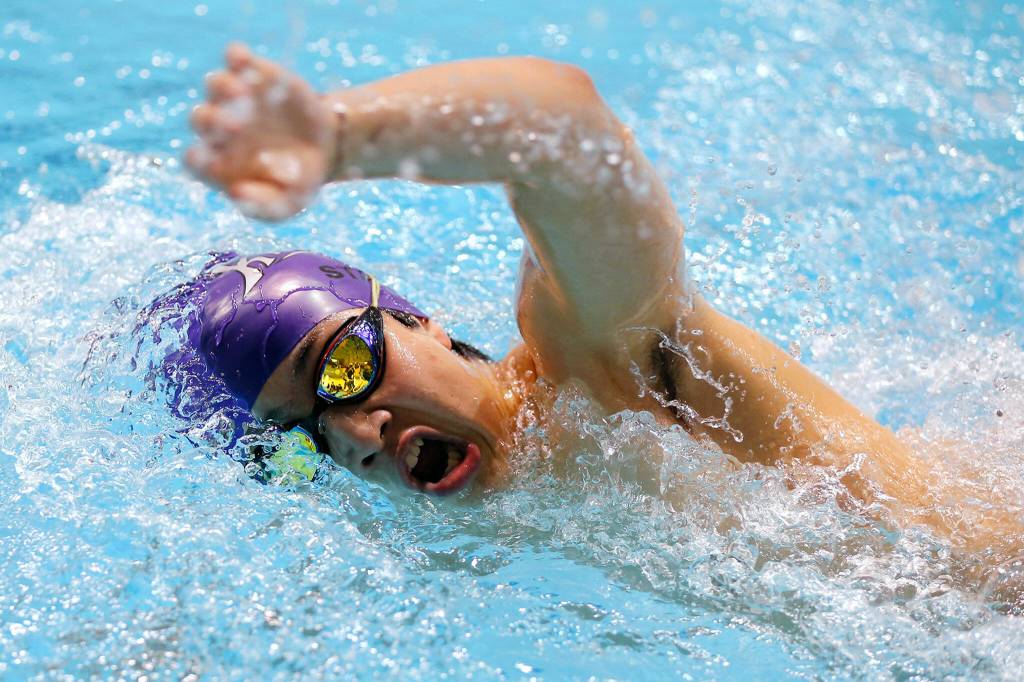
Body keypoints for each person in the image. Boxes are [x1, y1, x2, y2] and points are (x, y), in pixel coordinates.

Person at [184, 45, 1021, 593]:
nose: (354, 438)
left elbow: (562, 127)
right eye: (299, 440)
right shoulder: (460, 540)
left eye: (341, 369)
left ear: (422, 324)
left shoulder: (597, 364)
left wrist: (340, 138)